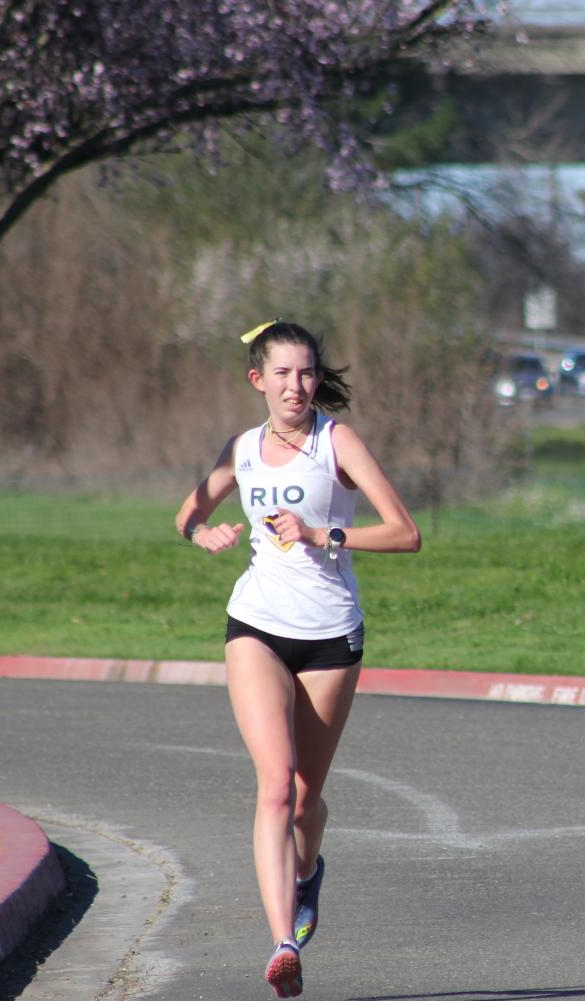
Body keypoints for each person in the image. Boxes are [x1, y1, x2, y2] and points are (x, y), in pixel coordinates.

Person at [174, 320, 421, 998]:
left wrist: (323, 531)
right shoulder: (243, 449)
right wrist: (203, 529)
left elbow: (406, 532)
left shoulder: (334, 441)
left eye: (307, 372)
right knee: (275, 785)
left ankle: (308, 875)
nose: (297, 385)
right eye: (282, 373)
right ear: (258, 380)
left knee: (307, 798)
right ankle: (283, 941)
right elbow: (186, 512)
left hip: (330, 634)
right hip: (255, 623)